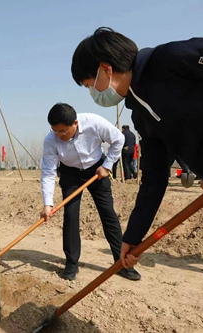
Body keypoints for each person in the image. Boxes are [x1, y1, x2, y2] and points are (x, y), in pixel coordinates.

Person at [72, 27, 203, 332]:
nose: (93, 93)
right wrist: (132, 238)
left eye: (89, 84)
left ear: (105, 69)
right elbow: (153, 178)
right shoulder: (140, 113)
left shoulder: (173, 59)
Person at [40, 103, 141, 281]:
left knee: (108, 213)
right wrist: (47, 204)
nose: (59, 135)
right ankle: (71, 263)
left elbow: (118, 139)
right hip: (70, 174)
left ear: (75, 123)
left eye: (63, 131)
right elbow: (48, 172)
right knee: (70, 215)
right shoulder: (51, 140)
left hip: (97, 171)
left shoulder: (93, 123)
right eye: (55, 131)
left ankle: (121, 262)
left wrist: (107, 166)